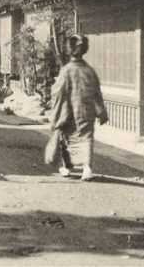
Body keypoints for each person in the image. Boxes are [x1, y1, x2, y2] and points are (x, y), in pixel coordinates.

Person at [48, 34, 109, 181]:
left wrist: (54, 113)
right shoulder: (89, 70)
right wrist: (101, 111)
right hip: (87, 110)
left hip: (68, 110)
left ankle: (67, 167)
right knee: (86, 138)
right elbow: (97, 92)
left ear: (69, 50)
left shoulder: (67, 70)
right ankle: (87, 168)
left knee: (65, 138)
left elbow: (58, 92)